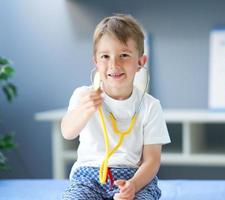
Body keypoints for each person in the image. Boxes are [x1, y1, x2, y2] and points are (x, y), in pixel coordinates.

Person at [61, 14, 171, 200]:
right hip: (88, 178)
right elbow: (67, 132)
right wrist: (84, 110)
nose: (114, 64)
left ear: (140, 62)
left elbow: (152, 160)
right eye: (105, 56)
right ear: (95, 61)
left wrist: (133, 186)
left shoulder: (150, 106)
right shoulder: (83, 96)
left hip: (134, 177)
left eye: (124, 55)